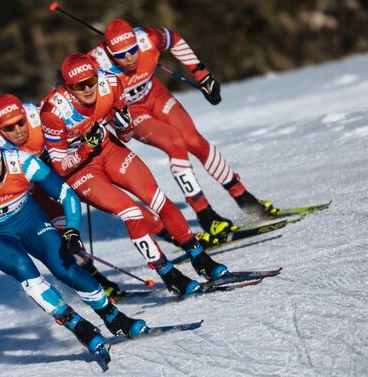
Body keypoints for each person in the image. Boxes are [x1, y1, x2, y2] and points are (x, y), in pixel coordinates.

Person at [0, 133, 147, 356]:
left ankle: (113, 317)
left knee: (63, 265)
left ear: (1, 155)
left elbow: (65, 194)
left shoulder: (22, 162)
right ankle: (79, 327)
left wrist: (71, 230)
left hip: (29, 219)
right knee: (25, 271)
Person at [40, 53, 231, 298]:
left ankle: (200, 258)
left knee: (158, 199)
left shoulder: (110, 84)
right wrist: (86, 147)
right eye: (79, 86)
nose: (88, 89)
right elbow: (61, 167)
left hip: (108, 150)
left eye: (91, 81)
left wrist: (124, 124)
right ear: (67, 86)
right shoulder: (52, 112)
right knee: (131, 212)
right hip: (80, 170)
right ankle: (168, 273)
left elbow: (126, 136)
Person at [87, 19, 277, 236]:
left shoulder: (148, 38)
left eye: (132, 50)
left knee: (194, 140)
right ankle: (205, 215)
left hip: (153, 93)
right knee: (174, 141)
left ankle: (245, 199)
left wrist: (202, 74)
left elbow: (174, 40)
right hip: (130, 111)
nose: (129, 57)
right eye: (120, 55)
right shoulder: (96, 61)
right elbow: (68, 85)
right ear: (110, 52)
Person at [0, 93, 123, 298]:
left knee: (100, 208)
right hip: (28, 196)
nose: (18, 131)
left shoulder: (38, 115)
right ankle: (98, 282)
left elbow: (68, 128)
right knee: (61, 236)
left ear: (24, 115)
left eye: (20, 123)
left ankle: (168, 235)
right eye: (8, 128)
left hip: (51, 182)